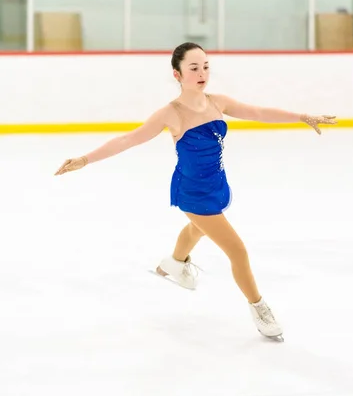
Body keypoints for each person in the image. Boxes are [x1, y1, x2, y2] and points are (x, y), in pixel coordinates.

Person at [55, 42, 336, 341]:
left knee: (197, 230)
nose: (202, 73)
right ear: (177, 75)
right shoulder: (170, 113)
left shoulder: (218, 102)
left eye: (205, 66)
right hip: (193, 192)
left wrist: (301, 116)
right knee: (237, 251)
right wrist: (85, 159)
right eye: (193, 68)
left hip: (216, 184)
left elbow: (258, 111)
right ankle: (259, 307)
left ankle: (174, 263)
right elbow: (128, 140)